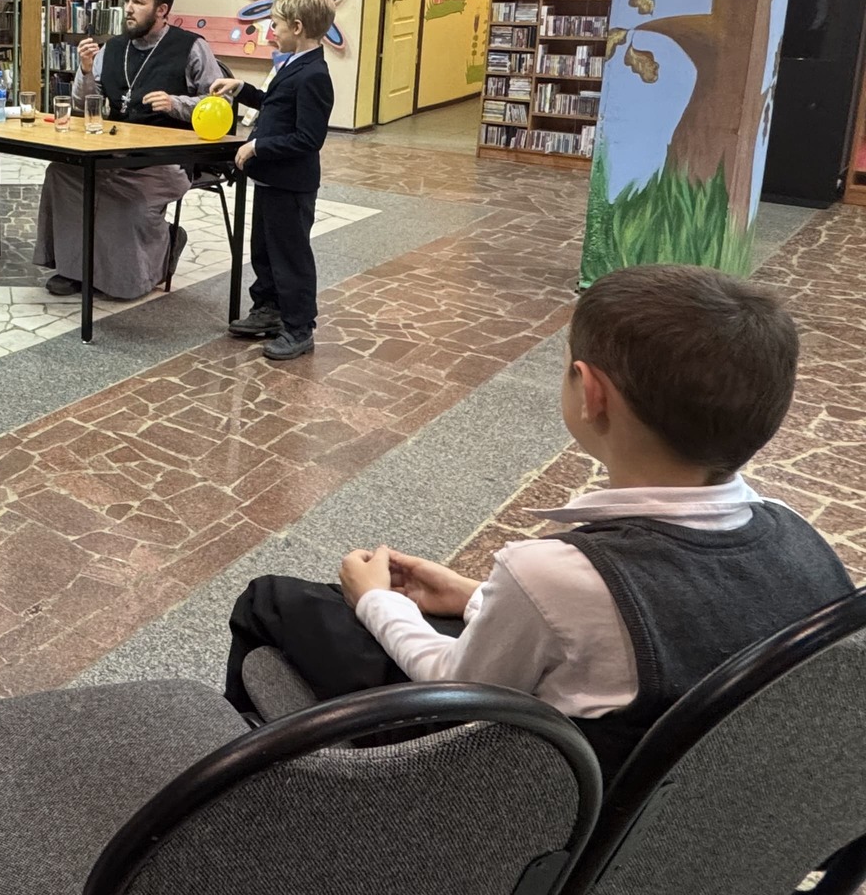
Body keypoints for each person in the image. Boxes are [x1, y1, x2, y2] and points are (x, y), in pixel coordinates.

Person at [222, 265, 854, 776]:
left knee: (271, 600)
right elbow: (652, 627)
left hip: (527, 803)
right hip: (666, 824)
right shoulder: (800, 536)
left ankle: (258, 810)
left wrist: (375, 603)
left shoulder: (555, 573)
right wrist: (475, 595)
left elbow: (456, 682)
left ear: (590, 392)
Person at [32, 0, 225, 300]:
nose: (129, 9)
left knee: (126, 199)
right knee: (62, 174)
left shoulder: (192, 47)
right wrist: (86, 70)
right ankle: (74, 268)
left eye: (138, 2)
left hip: (166, 160)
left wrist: (177, 104)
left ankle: (158, 254)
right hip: (115, 152)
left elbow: (221, 103)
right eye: (127, 1)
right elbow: (83, 105)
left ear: (162, 10)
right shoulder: (113, 48)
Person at [208, 0, 335, 361]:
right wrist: (242, 89)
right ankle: (268, 309)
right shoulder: (294, 64)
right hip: (271, 179)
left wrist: (258, 146)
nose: (271, 31)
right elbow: (277, 105)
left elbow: (308, 138)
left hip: (291, 184)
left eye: (275, 25)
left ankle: (299, 328)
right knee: (264, 250)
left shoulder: (314, 75)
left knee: (290, 257)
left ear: (297, 27)